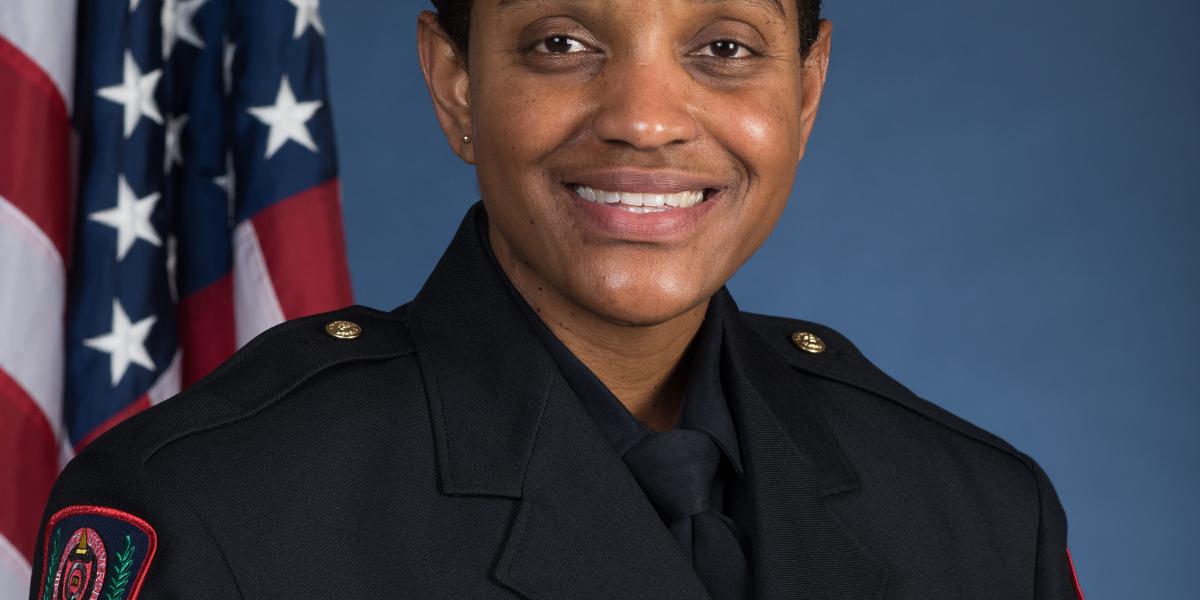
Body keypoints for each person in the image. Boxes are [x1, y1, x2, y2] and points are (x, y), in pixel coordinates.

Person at [30, 1, 1085, 598]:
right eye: (563, 44)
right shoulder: (212, 511)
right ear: (455, 84)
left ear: (804, 90)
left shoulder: (983, 517)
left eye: (723, 49)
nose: (645, 120)